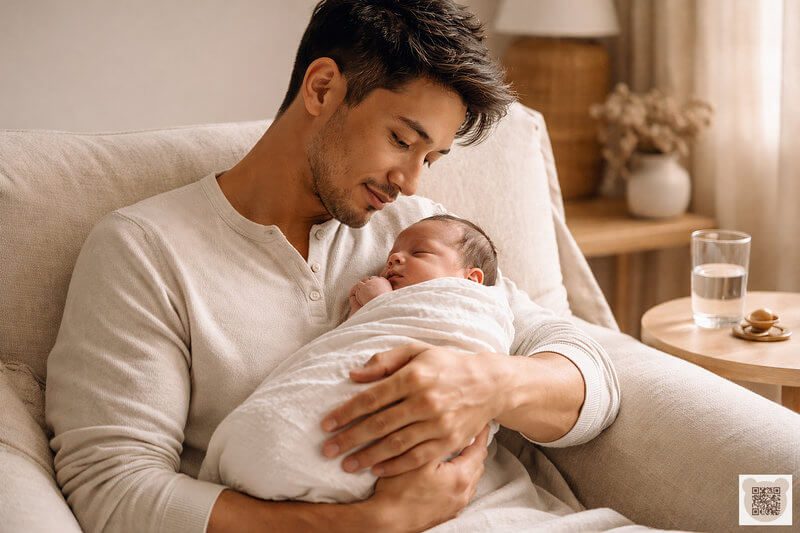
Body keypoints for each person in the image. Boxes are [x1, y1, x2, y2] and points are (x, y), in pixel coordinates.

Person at [45, 1, 639, 531]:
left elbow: (588, 375)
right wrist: (371, 522)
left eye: (430, 156)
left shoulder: (417, 229)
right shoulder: (145, 250)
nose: (410, 181)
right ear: (323, 87)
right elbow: (112, 491)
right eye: (403, 141)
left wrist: (487, 384)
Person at [198, 215, 511, 503]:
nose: (395, 258)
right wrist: (367, 310)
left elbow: (442, 334)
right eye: (395, 252)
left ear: (471, 279)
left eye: (420, 253)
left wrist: (380, 301)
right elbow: (358, 340)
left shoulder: (472, 307)